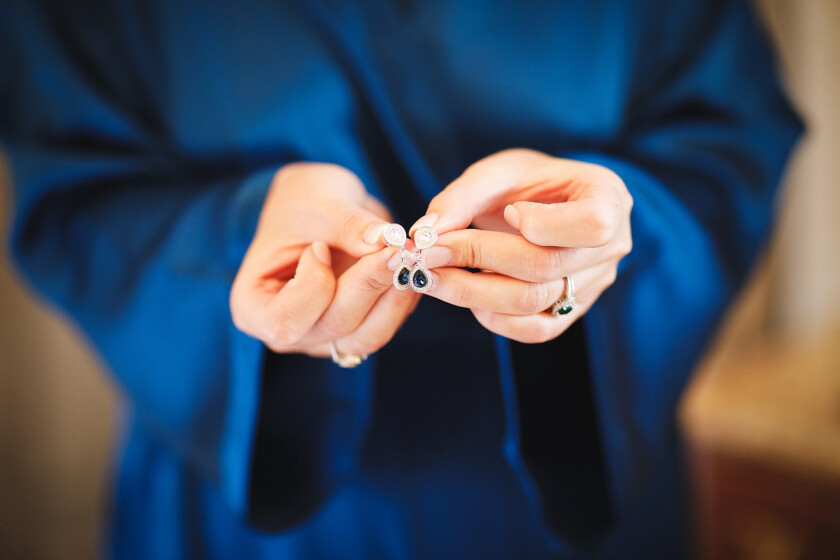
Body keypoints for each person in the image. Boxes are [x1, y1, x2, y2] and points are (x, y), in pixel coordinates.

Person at [0, 1, 800, 558]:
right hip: (248, 481)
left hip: (576, 462)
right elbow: (71, 187)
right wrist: (244, 229)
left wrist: (607, 232)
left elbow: (727, 139)